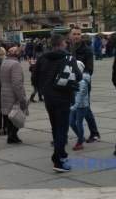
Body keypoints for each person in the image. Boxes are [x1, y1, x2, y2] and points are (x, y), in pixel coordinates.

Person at [34, 34, 82, 172]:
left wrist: (43, 90)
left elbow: (34, 78)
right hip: (63, 97)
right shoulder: (68, 58)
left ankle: (60, 153)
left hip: (48, 97)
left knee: (55, 127)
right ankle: (59, 161)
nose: (66, 45)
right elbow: (78, 76)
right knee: (62, 129)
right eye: (65, 43)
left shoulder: (42, 58)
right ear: (61, 44)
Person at [69, 27, 101, 143]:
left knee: (85, 108)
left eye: (78, 34)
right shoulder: (69, 48)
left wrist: (79, 78)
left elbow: (89, 70)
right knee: (76, 109)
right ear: (70, 35)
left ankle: (94, 133)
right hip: (70, 84)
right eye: (74, 34)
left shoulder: (87, 50)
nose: (76, 36)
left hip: (83, 84)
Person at [0, 46, 27, 144]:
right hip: (13, 94)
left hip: (4, 92)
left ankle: (12, 136)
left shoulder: (4, 62)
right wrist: (22, 98)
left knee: (10, 116)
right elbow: (17, 84)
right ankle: (12, 136)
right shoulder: (16, 64)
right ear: (17, 54)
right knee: (17, 115)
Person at [69, 61, 89, 151]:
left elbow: (79, 96)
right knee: (71, 122)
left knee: (78, 123)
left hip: (82, 106)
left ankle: (80, 142)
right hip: (75, 105)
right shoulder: (75, 78)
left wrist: (73, 107)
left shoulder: (83, 81)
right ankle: (81, 137)